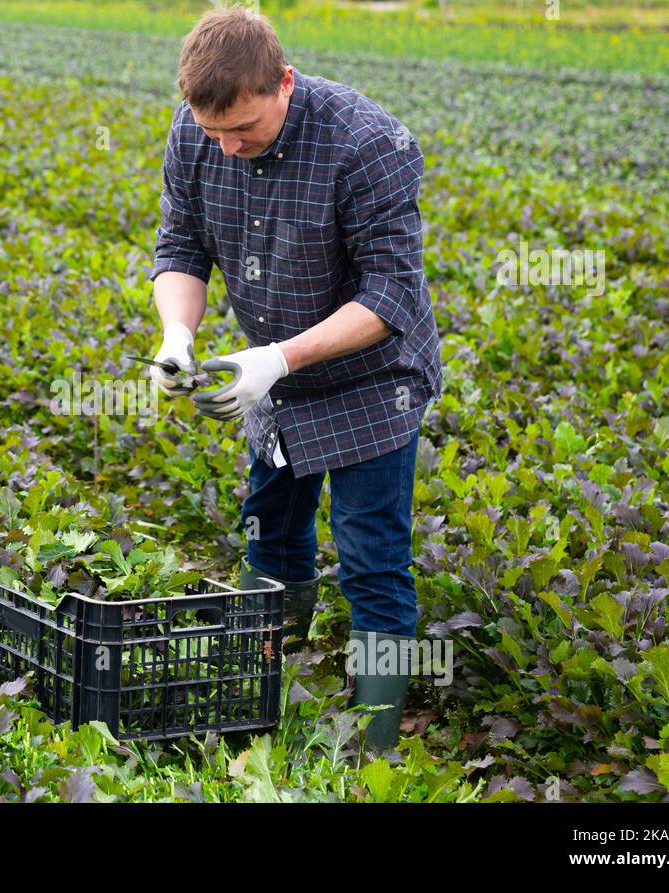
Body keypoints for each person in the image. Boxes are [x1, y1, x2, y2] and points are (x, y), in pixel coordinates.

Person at [147, 7, 444, 750]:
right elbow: (181, 243)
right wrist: (178, 335)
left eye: (244, 128)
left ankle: (374, 745)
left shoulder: (367, 143)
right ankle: (263, 691)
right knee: (271, 530)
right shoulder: (198, 130)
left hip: (373, 382)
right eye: (213, 131)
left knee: (372, 557)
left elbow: (390, 297)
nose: (227, 145)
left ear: (283, 82)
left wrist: (277, 358)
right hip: (269, 375)